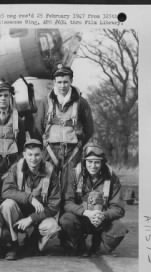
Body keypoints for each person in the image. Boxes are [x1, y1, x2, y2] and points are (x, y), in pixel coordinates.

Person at [59, 143, 128, 256]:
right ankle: (79, 245)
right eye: (89, 162)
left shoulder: (111, 178)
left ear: (102, 162)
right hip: (82, 218)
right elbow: (67, 203)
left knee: (119, 229)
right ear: (84, 162)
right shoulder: (74, 175)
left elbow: (118, 208)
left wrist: (103, 215)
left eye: (97, 162)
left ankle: (98, 248)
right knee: (66, 219)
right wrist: (86, 213)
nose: (93, 166)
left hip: (102, 220)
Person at [1, 139, 61, 260]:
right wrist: (30, 198)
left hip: (40, 214)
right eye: (30, 154)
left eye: (37, 154)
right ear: (24, 155)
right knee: (7, 205)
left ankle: (33, 243)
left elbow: (54, 205)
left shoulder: (50, 171)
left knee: (52, 226)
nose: (33, 158)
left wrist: (31, 219)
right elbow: (6, 191)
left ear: (43, 155)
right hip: (19, 212)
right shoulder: (16, 168)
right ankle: (14, 244)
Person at [41, 64, 94, 197]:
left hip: (73, 150)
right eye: (59, 82)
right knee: (47, 183)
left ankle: (68, 215)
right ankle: (49, 214)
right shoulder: (45, 102)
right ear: (54, 82)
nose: (62, 86)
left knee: (71, 185)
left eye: (65, 82)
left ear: (71, 81)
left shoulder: (82, 103)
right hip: (50, 149)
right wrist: (46, 142)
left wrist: (79, 142)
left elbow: (89, 128)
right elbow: (38, 126)